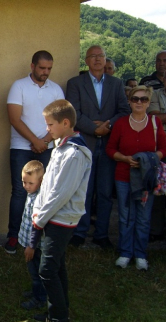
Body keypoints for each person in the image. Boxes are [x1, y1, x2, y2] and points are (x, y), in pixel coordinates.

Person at [30, 99, 92, 322]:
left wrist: (40, 218)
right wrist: (39, 210)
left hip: (61, 219)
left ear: (65, 123)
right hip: (52, 217)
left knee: (47, 271)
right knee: (57, 267)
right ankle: (60, 314)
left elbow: (61, 193)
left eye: (50, 124)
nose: (47, 129)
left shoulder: (74, 153)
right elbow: (48, 186)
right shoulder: (61, 147)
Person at [66, 45, 130, 249]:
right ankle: (80, 232)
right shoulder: (75, 83)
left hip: (109, 144)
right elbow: (73, 112)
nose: (97, 59)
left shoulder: (116, 83)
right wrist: (93, 129)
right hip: (86, 142)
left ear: (105, 59)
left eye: (100, 56)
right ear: (86, 60)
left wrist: (107, 125)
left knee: (103, 191)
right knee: (83, 190)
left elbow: (123, 110)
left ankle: (101, 234)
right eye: (92, 56)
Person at [5, 50, 64, 254]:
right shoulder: (18, 86)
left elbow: (60, 120)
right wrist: (35, 141)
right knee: (20, 192)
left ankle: (38, 237)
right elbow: (14, 118)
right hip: (21, 147)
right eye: (42, 68)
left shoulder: (56, 90)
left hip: (47, 148)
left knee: (45, 192)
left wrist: (45, 141)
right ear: (32, 66)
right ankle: (13, 236)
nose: (45, 72)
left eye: (49, 68)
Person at [106, 86, 166, 270]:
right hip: (123, 175)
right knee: (125, 216)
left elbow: (163, 149)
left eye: (143, 99)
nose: (139, 102)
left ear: (148, 103)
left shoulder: (155, 123)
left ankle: (140, 254)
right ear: (130, 102)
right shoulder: (122, 124)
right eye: (135, 99)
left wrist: (148, 160)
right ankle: (125, 252)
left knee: (143, 216)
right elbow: (110, 149)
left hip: (146, 178)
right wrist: (124, 158)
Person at [18, 160, 46, 311]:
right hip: (27, 241)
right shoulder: (31, 193)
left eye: (30, 183)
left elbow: (37, 224)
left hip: (34, 246)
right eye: (24, 182)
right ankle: (36, 291)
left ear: (40, 181)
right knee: (32, 270)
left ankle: (39, 298)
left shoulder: (39, 198)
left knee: (36, 272)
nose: (26, 186)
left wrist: (31, 246)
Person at [147, 74, 166, 242]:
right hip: (160, 148)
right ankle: (156, 230)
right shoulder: (155, 95)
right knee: (159, 190)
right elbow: (155, 118)